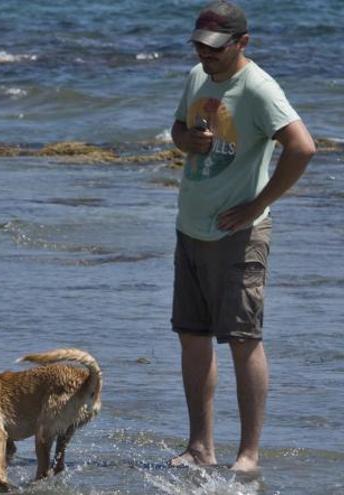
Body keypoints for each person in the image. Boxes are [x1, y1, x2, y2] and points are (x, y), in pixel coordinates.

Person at [168, 0, 316, 473]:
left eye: (214, 48)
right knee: (193, 336)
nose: (204, 54)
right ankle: (199, 447)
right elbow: (177, 128)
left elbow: (302, 147)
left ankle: (248, 456)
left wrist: (257, 204)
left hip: (239, 235)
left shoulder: (258, 87)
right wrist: (186, 139)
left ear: (241, 43)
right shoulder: (197, 76)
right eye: (199, 45)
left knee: (242, 339)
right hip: (190, 228)